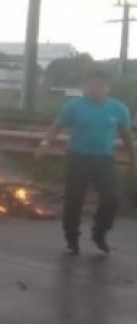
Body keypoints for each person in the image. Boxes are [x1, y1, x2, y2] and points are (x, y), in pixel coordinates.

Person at [37, 68, 136, 255]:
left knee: (111, 198)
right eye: (89, 85)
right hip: (77, 158)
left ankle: (100, 233)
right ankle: (72, 237)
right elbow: (56, 127)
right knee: (74, 200)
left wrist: (134, 159)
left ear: (107, 87)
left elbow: (127, 136)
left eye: (98, 85)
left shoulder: (118, 109)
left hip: (104, 160)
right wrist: (45, 143)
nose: (93, 89)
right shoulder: (74, 106)